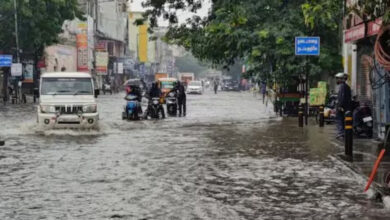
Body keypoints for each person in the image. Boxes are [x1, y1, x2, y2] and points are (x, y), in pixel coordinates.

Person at [335, 72, 352, 139]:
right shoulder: (347, 86)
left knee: (340, 119)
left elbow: (342, 97)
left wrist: (340, 106)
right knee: (343, 120)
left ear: (341, 79)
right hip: (346, 107)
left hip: (342, 107)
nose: (337, 80)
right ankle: (343, 133)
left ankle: (341, 133)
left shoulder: (342, 86)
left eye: (338, 78)